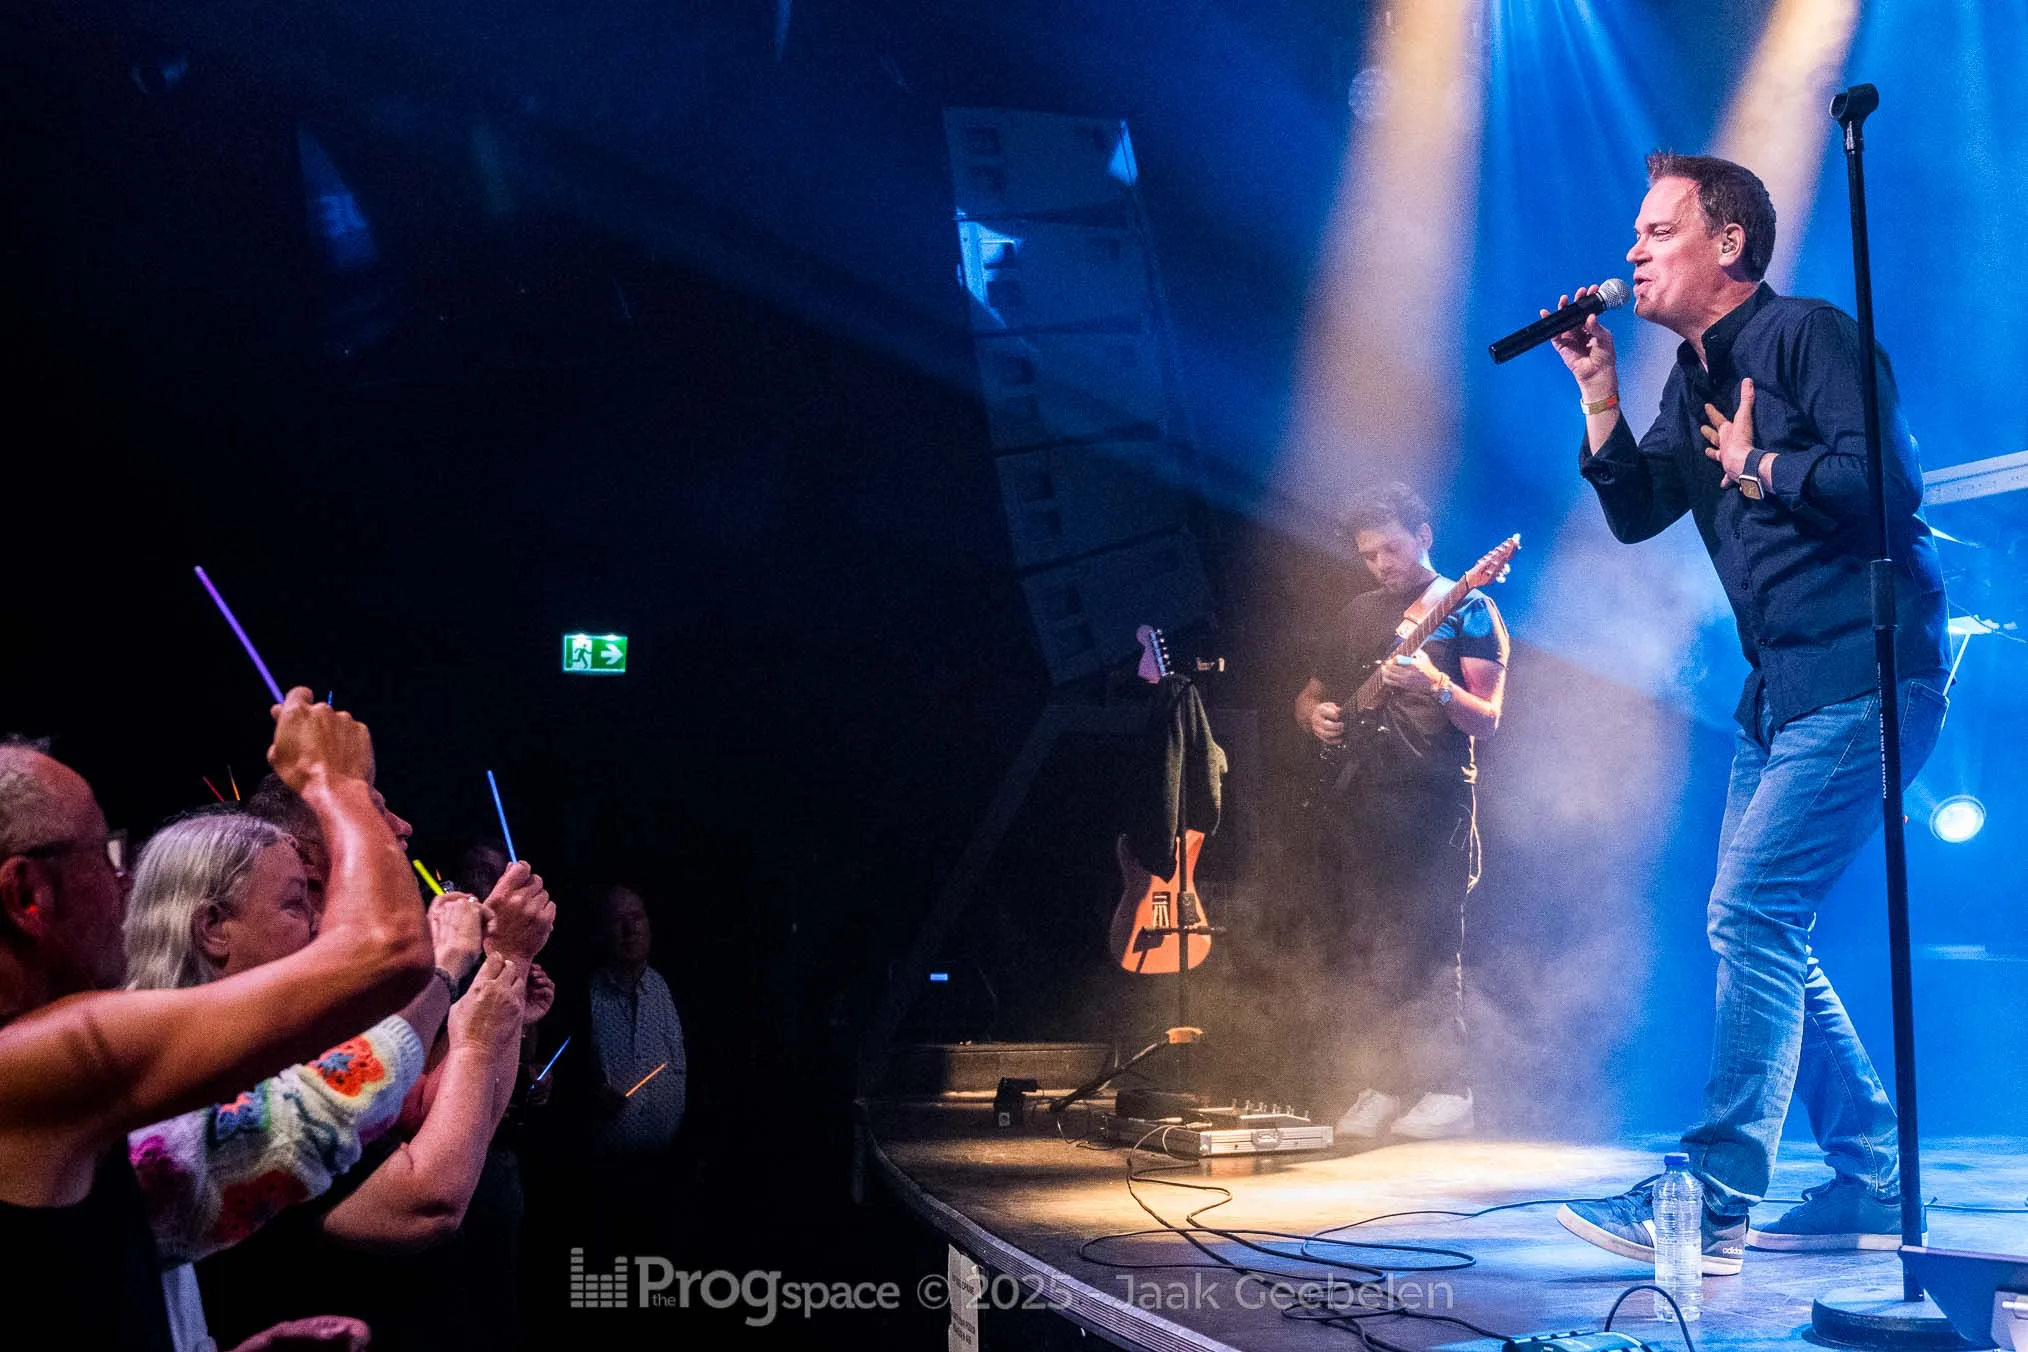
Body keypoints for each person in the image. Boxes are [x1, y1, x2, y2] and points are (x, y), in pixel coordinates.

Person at [1548, 153, 1949, 1275]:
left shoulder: (1808, 335)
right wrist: (1598, 391)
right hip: (1781, 690)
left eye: (1657, 231)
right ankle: (1872, 1176)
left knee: (1751, 913)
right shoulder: (1691, 379)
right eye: (1635, 234)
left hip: (1870, 669)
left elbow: (1890, 488)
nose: (1632, 252)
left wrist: (1762, 462)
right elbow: (1638, 510)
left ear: (1727, 243)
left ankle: (1715, 1200)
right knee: (1760, 923)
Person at [0, 692, 434, 1349]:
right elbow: (389, 952)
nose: (124, 881)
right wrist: (337, 783)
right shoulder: (29, 1062)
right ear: (27, 892)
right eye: (103, 855)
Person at [193, 782, 553, 1351]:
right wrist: (469, 974)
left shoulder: (319, 1005)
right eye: (295, 902)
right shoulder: (240, 1048)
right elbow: (426, 1202)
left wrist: (505, 973)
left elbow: (451, 1121)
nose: (405, 826)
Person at [1293, 482, 1509, 1143]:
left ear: (1424, 535)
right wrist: (1313, 716)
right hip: (1363, 797)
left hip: (1434, 801)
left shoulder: (1470, 607)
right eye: (1369, 555)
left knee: (1433, 942)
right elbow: (1310, 693)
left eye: (1392, 548)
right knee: (1373, 943)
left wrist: (1435, 684)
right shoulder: (1358, 613)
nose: (1382, 564)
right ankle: (1387, 1083)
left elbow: (1488, 718)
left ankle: (1449, 1088)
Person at [574, 884, 686, 1260]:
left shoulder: (667, 987)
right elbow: (565, 1078)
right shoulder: (584, 995)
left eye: (636, 917)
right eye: (618, 920)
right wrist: (588, 1096)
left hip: (667, 1172)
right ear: (601, 932)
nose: (630, 928)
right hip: (604, 1180)